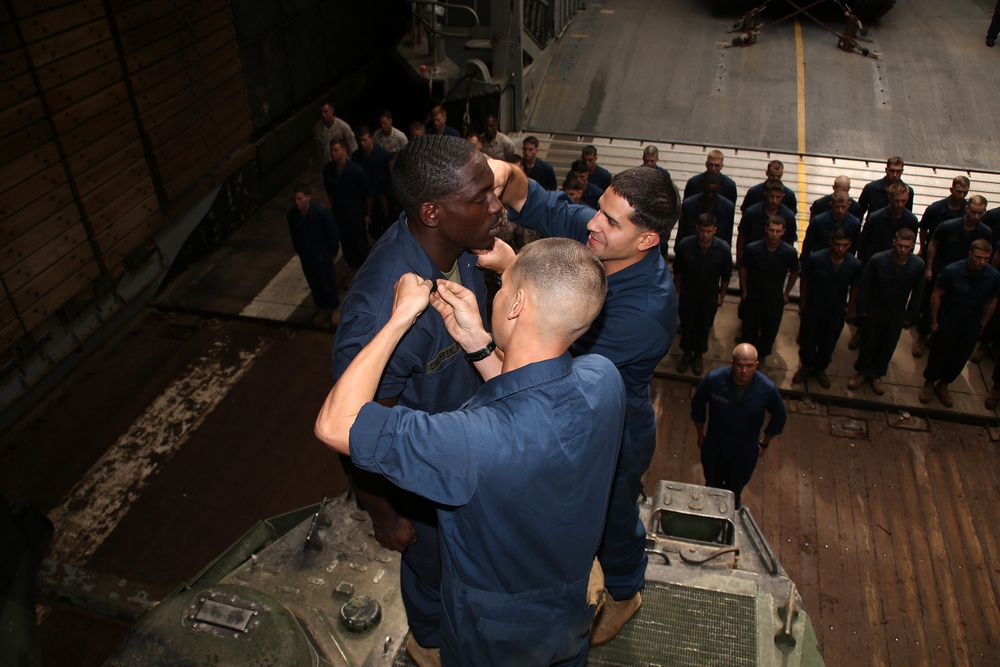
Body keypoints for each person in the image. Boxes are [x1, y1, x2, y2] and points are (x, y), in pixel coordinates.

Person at [316, 238, 626, 666]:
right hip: (573, 605)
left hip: (496, 637)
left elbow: (335, 424)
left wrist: (400, 318)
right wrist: (477, 342)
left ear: (517, 304)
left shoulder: (470, 441)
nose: (494, 296)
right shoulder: (605, 380)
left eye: (501, 290)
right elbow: (536, 397)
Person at [489, 161, 679, 646]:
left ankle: (624, 591)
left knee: (615, 512)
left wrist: (514, 272)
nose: (594, 223)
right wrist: (500, 172)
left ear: (646, 241)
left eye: (612, 221)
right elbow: (537, 201)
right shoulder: (603, 239)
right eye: (601, 210)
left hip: (615, 426)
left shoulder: (647, 309)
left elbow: (551, 361)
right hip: (569, 400)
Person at [329, 135, 500, 664]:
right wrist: (383, 514)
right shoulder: (384, 311)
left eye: (493, 192)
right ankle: (429, 644)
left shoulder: (465, 250)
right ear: (432, 211)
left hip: (470, 448)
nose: (496, 207)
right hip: (423, 489)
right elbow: (354, 426)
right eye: (481, 198)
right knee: (435, 575)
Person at [691, 343, 787, 509]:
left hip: (744, 451)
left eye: (749, 366)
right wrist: (701, 436)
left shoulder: (767, 389)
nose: (744, 371)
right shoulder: (714, 380)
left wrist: (764, 443)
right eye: (740, 365)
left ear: (756, 365)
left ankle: (729, 519)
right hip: (715, 446)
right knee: (711, 486)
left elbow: (780, 416)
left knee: (734, 491)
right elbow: (697, 406)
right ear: (732, 363)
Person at [918, 239, 1000, 407]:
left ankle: (944, 384)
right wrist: (933, 321)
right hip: (950, 320)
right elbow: (937, 296)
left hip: (972, 323)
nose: (982, 261)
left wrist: (983, 324)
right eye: (978, 257)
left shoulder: (993, 276)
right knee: (939, 353)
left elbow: (992, 301)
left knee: (960, 357)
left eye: (986, 258)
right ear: (970, 254)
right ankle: (929, 382)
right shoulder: (952, 271)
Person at [848, 229, 925, 395]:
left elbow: (918, 292)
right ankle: (862, 371)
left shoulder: (917, 265)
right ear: (894, 243)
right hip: (875, 309)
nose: (902, 250)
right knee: (868, 341)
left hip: (896, 311)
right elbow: (865, 285)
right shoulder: (878, 260)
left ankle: (876, 374)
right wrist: (861, 308)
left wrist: (911, 315)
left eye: (906, 247)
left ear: (912, 246)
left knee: (888, 344)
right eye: (900, 245)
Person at [914, 195, 991, 357]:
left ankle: (935, 338)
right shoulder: (948, 226)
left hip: (966, 277)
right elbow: (933, 244)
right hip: (943, 272)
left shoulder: (985, 232)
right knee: (932, 306)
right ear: (967, 209)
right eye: (973, 212)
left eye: (980, 213)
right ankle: (922, 335)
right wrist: (929, 267)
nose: (975, 216)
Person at [793, 228, 861, 388]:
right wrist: (803, 303)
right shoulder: (816, 259)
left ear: (850, 244)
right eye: (837, 244)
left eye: (844, 245)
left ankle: (820, 368)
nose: (840, 249)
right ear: (831, 243)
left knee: (829, 342)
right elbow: (805, 280)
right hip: (814, 307)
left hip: (835, 310)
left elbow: (855, 286)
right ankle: (806, 366)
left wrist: (850, 307)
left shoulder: (854, 264)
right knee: (808, 339)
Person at [674, 213, 733, 376]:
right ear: (697, 229)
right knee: (687, 324)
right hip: (688, 293)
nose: (705, 235)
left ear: (714, 230)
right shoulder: (685, 246)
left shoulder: (723, 249)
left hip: (709, 295)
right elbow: (677, 271)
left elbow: (726, 275)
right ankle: (686, 354)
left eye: (708, 231)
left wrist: (722, 296)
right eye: (702, 231)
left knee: (704, 325)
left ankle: (698, 355)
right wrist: (678, 291)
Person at [738, 216, 800, 370]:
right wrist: (744, 290)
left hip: (774, 297)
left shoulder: (789, 252)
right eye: (771, 230)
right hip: (754, 294)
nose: (774, 234)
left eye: (778, 231)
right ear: (766, 229)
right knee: (749, 328)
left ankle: (762, 356)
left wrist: (786, 293)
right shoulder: (752, 249)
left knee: (770, 329)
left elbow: (795, 271)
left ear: (783, 232)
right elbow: (743, 267)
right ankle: (747, 354)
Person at [286, 184, 340, 321]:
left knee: (327, 281)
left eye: (300, 199)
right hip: (306, 255)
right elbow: (294, 236)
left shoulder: (321, 214)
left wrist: (332, 253)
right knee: (314, 282)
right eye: (296, 199)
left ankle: (334, 308)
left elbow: (332, 234)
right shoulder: (292, 215)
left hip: (321, 254)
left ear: (308, 197)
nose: (297, 202)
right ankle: (322, 307)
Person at [323, 139, 372, 271]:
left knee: (360, 245)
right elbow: (330, 193)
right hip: (340, 215)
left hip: (356, 215)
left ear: (343, 150)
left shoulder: (357, 171)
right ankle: (353, 271)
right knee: (347, 245)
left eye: (336, 150)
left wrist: (367, 214)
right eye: (331, 150)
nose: (333, 153)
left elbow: (368, 194)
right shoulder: (328, 170)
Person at [856, 182, 918, 267]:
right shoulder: (875, 218)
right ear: (890, 198)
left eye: (903, 201)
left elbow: (910, 248)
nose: (900, 204)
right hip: (875, 265)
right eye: (897, 201)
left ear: (908, 198)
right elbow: (863, 245)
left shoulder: (912, 221)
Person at [672, 171, 736, 253]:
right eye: (708, 191)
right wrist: (678, 249)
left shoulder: (727, 207)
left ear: (718, 188)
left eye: (713, 192)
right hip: (691, 248)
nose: (710, 195)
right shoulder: (689, 205)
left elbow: (728, 233)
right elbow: (682, 229)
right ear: (703, 187)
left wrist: (726, 252)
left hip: (716, 251)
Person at [736, 180, 796, 259]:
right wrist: (738, 258)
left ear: (783, 196)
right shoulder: (751, 213)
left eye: (778, 197)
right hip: (753, 257)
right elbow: (742, 236)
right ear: (766, 194)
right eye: (771, 196)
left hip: (777, 259)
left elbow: (790, 241)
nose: (774, 201)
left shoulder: (789, 216)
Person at [799, 190, 861, 266]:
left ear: (849, 205)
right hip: (820, 262)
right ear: (831, 204)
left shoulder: (855, 223)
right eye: (837, 207)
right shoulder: (818, 221)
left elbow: (854, 247)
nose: (840, 210)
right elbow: (808, 245)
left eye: (843, 207)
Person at [352, 127, 393, 239]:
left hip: (381, 197)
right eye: (360, 140)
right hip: (366, 198)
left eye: (365, 140)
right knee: (373, 228)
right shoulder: (356, 157)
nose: (362, 143)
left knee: (386, 226)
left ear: (371, 139)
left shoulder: (383, 156)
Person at [919, 175, 969, 258]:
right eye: (959, 192)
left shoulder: (968, 211)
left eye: (965, 192)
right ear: (951, 190)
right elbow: (923, 228)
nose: (962, 196)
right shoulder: (935, 209)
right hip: (935, 253)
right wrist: (922, 248)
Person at [857, 156, 915, 221]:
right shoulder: (871, 188)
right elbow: (859, 212)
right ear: (886, 170)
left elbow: (908, 215)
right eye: (892, 171)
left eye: (898, 171)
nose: (894, 175)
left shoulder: (908, 191)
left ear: (902, 172)